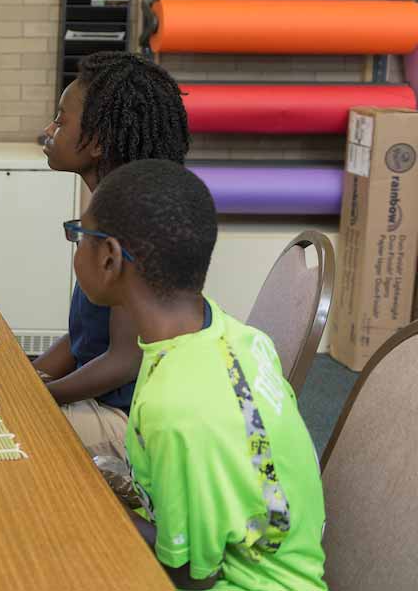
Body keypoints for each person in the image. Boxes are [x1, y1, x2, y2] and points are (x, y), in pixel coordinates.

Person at [73, 159, 327, 591]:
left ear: (110, 258)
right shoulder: (233, 335)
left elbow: (190, 575)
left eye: (79, 237)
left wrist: (92, 506)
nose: (75, 247)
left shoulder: (177, 406)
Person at [32, 51, 191, 460]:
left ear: (99, 142)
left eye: (61, 121)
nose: (47, 131)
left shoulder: (132, 223)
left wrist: (37, 397)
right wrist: (31, 376)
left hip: (131, 422)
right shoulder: (113, 204)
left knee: (1, 430)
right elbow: (87, 338)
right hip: (111, 404)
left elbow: (123, 361)